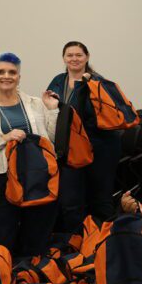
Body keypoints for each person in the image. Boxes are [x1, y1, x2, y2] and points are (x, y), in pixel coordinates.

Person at [47, 41, 122, 228]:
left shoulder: (97, 82)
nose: (74, 59)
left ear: (87, 57)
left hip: (100, 145)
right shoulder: (58, 80)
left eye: (78, 55)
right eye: (70, 55)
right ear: (64, 58)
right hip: (71, 146)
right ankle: (78, 241)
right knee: (71, 197)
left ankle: (106, 238)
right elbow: (51, 109)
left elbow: (106, 115)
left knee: (100, 196)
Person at [0, 53, 60, 257]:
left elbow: (51, 138)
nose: (6, 76)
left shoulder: (33, 103)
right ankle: (5, 277)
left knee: (36, 230)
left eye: (12, 72)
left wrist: (51, 110)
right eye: (1, 72)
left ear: (19, 77)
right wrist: (5, 138)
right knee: (4, 231)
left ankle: (32, 275)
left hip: (34, 173)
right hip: (3, 176)